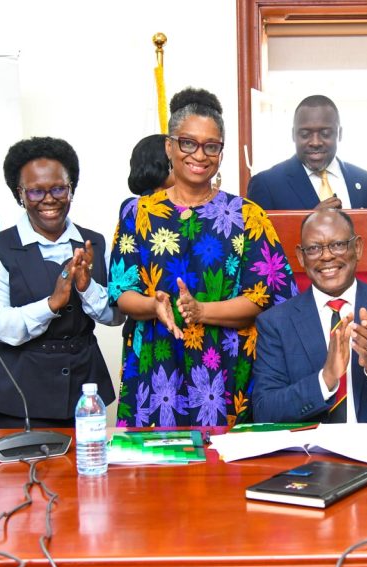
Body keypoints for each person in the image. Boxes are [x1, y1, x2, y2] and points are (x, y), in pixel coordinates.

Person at [108, 87, 298, 427]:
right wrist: (153, 306)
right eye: (188, 143)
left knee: (227, 473)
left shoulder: (248, 216)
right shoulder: (138, 213)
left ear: (221, 152)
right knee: (158, 473)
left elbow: (267, 298)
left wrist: (202, 312)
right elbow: (122, 292)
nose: (200, 154)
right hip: (156, 363)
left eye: (211, 146)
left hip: (226, 366)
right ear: (169, 146)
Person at [0, 137, 121, 428]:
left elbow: (116, 315)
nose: (49, 199)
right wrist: (51, 303)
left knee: (86, 472)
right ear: (20, 194)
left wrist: (85, 287)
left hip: (85, 394)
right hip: (17, 398)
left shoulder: (95, 243)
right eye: (35, 192)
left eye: (58, 188)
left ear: (71, 189)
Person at [253, 209, 367, 423]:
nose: (327, 256)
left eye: (338, 245)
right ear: (301, 257)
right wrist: (326, 378)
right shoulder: (275, 323)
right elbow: (264, 411)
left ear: (357, 248)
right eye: (313, 248)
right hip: (309, 453)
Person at [247, 95, 367, 211]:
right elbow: (255, 242)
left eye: (325, 133)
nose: (315, 142)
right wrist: (310, 222)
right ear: (293, 135)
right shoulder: (266, 184)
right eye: (305, 134)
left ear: (339, 134)